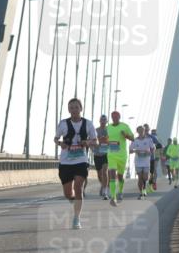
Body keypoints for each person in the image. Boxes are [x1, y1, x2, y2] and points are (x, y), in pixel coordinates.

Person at [53, 98, 96, 229]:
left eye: (76, 107)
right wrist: (61, 144)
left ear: (81, 109)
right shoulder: (63, 124)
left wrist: (87, 143)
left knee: (78, 188)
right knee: (68, 193)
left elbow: (95, 141)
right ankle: (73, 200)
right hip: (66, 162)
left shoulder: (88, 124)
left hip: (81, 160)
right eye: (71, 108)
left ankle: (76, 218)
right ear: (68, 110)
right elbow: (55, 138)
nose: (74, 110)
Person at [105, 110, 134, 206]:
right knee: (112, 175)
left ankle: (120, 192)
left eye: (116, 116)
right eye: (113, 117)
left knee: (120, 176)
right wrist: (105, 141)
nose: (114, 118)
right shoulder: (108, 127)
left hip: (122, 156)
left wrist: (125, 135)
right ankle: (113, 197)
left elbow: (133, 138)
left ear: (119, 117)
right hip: (111, 154)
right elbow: (106, 139)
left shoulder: (124, 126)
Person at [130, 125, 155, 199]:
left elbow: (153, 148)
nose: (141, 132)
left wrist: (150, 152)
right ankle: (141, 193)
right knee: (140, 178)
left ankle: (144, 188)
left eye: (142, 131)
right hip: (138, 161)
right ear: (137, 131)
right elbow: (130, 150)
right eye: (139, 131)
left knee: (145, 177)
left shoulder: (149, 139)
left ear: (144, 131)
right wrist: (135, 151)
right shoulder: (135, 140)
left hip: (146, 161)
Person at [92, 115, 110, 200]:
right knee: (99, 175)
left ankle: (105, 191)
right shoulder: (96, 131)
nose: (103, 121)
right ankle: (103, 185)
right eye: (101, 120)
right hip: (97, 154)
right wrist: (94, 145)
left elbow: (113, 141)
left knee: (104, 171)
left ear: (106, 121)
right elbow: (91, 140)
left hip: (105, 154)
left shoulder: (109, 130)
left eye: (104, 120)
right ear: (99, 121)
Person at [148, 127, 162, 191]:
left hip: (155, 156)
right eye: (152, 132)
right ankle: (152, 181)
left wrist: (161, 154)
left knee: (154, 169)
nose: (153, 133)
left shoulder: (157, 138)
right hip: (149, 156)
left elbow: (161, 147)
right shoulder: (149, 137)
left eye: (154, 132)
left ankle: (153, 182)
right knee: (152, 170)